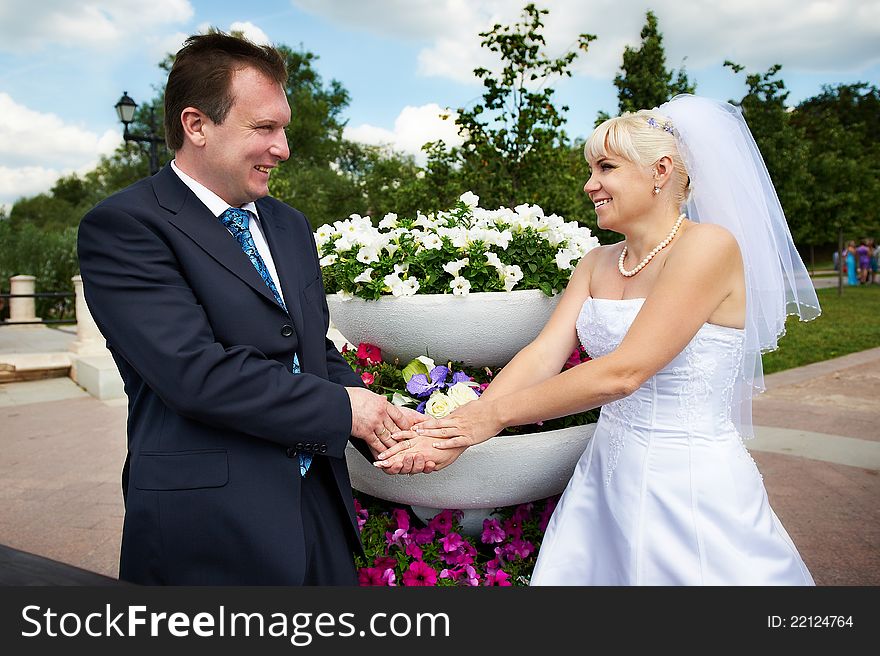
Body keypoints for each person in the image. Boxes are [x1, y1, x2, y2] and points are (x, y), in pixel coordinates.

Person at [378, 95, 820, 585]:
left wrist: (492, 417)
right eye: (590, 169)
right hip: (605, 477)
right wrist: (455, 430)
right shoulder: (596, 262)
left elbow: (624, 371)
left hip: (689, 483)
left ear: (661, 170)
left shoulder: (708, 247)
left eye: (605, 167)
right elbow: (544, 354)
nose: (590, 185)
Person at [77, 32, 424, 585]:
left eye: (282, 127)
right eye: (264, 128)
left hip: (318, 510)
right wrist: (342, 411)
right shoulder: (125, 227)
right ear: (197, 126)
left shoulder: (288, 225)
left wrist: (378, 413)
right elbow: (194, 373)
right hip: (209, 528)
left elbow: (310, 349)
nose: (283, 147)